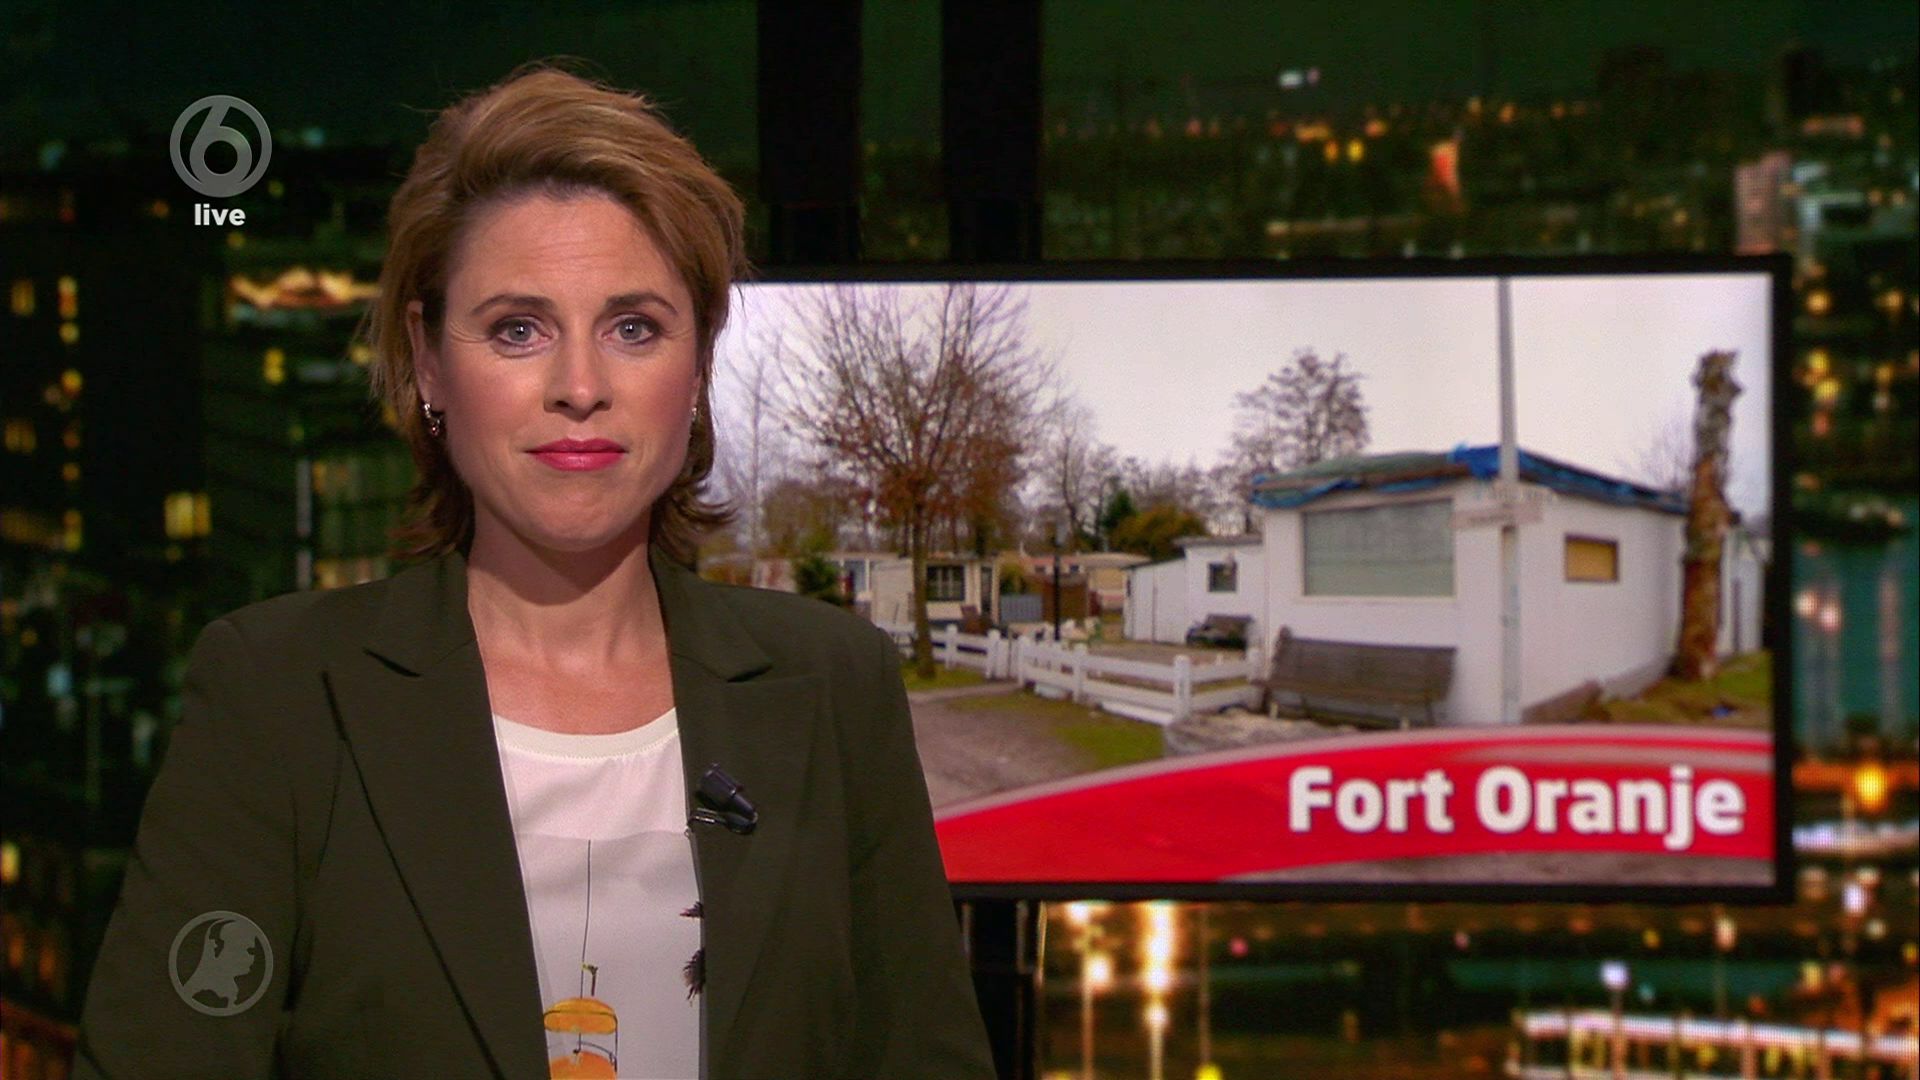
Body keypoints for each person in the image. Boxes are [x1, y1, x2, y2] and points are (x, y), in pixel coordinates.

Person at [74, 62, 996, 1080]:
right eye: (518, 329)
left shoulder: (834, 684)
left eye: (634, 328)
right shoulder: (281, 695)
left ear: (696, 366)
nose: (580, 387)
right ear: (429, 360)